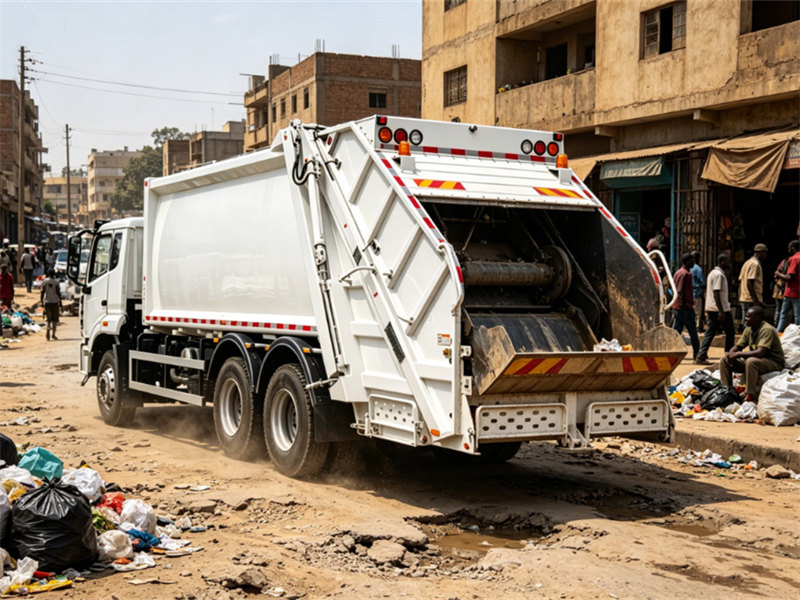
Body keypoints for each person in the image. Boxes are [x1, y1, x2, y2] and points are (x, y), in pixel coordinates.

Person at [720, 306, 784, 403]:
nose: (745, 319)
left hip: (773, 362)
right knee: (724, 360)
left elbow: (760, 352)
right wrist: (730, 354)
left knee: (751, 361)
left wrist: (737, 354)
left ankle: (750, 394)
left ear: (757, 318)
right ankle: (726, 390)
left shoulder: (767, 330)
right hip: (759, 361)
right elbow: (738, 346)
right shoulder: (749, 329)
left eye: (748, 317)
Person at [696, 253, 735, 364]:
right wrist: (721, 311)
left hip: (713, 308)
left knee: (711, 332)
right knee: (730, 332)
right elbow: (716, 292)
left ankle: (701, 355)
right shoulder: (719, 275)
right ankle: (729, 355)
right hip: (719, 309)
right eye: (728, 261)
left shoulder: (713, 273)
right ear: (722, 262)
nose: (729, 263)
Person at [672, 253, 701, 361]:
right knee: (693, 331)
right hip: (684, 308)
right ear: (687, 262)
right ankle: (697, 355)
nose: (694, 262)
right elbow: (679, 291)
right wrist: (682, 306)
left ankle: (670, 351)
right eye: (692, 260)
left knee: (676, 332)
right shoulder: (686, 274)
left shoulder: (678, 272)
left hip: (677, 307)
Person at [776, 239, 800, 332]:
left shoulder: (794, 259)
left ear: (792, 248)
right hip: (797, 292)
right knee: (797, 315)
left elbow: (789, 277)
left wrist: (778, 274)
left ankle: (778, 333)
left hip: (792, 292)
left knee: (784, 315)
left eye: (789, 248)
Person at [738, 243, 766, 318]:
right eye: (764, 253)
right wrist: (756, 301)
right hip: (750, 299)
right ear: (760, 252)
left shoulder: (747, 263)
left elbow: (741, 281)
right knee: (750, 321)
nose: (765, 255)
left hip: (744, 297)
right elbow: (749, 282)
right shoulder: (755, 264)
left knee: (746, 320)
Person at [773, 243, 793, 326]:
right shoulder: (784, 262)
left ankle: (779, 326)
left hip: (785, 289)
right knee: (783, 310)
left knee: (782, 310)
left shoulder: (784, 262)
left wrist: (778, 275)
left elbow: (777, 274)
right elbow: (776, 274)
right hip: (782, 289)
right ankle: (780, 326)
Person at [40, 269, 62, 341]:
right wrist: (60, 302)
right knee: (55, 319)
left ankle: (48, 328)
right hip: (55, 302)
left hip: (47, 301)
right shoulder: (56, 282)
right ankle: (53, 334)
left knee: (48, 318)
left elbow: (42, 291)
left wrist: (41, 301)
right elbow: (58, 292)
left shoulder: (44, 281)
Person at [691, 250, 705, 329]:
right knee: (698, 311)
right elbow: (702, 282)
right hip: (697, 292)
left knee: (691, 311)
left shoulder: (689, 268)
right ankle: (697, 326)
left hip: (690, 293)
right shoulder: (698, 269)